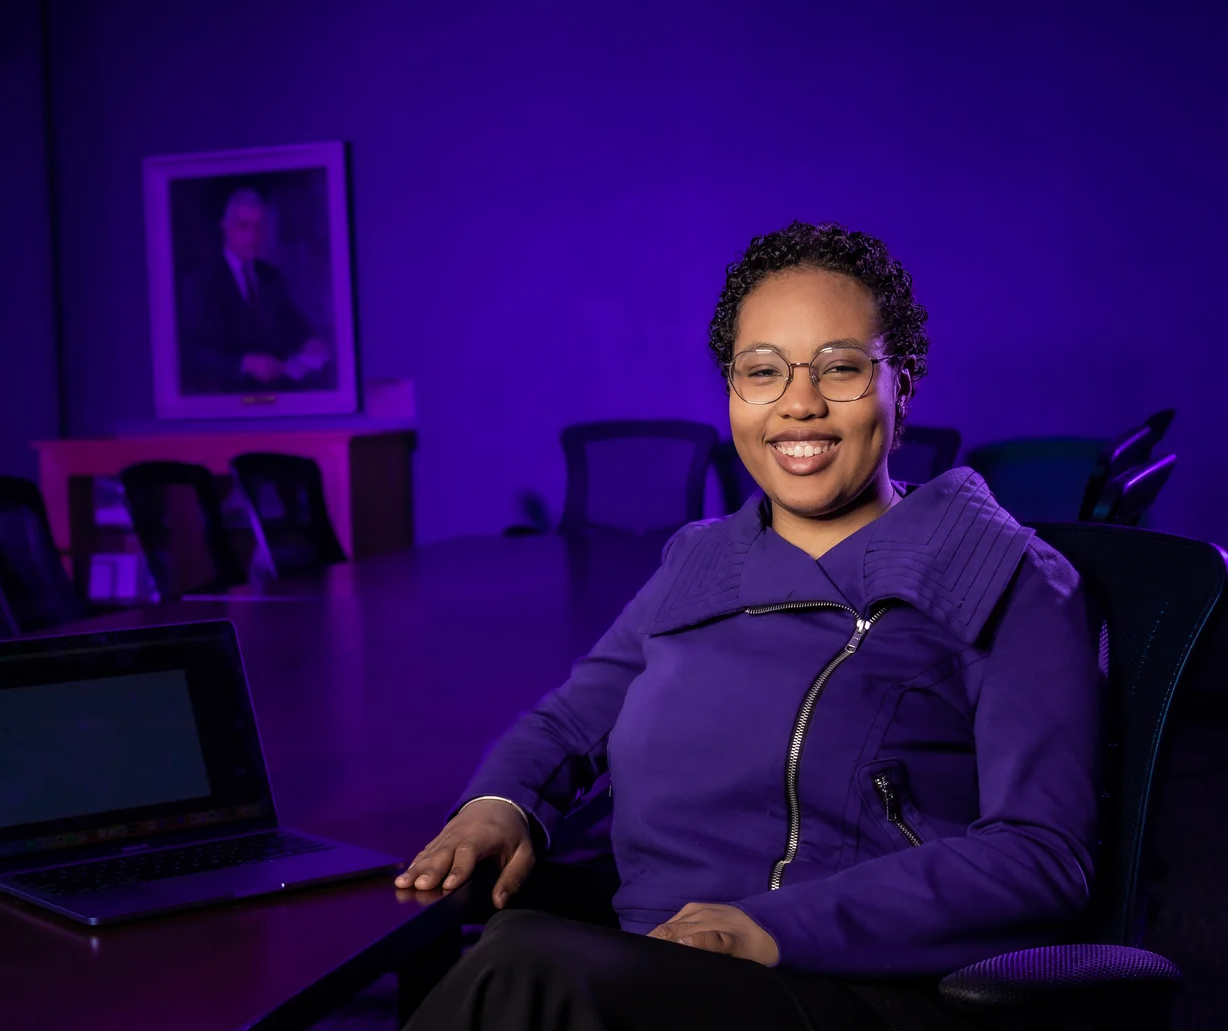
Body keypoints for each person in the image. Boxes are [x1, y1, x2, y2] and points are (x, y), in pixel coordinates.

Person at [396, 222, 1105, 1031]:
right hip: (651, 959)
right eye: (762, 372)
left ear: (899, 382)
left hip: (844, 981)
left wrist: (771, 928)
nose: (798, 403)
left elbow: (1041, 857)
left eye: (839, 368)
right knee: (476, 934)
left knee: (523, 974)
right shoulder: (700, 561)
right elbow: (570, 719)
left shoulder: (1007, 577)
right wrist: (502, 802)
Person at [176, 187, 331, 394]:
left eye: (258, 227)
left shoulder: (270, 276)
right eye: (244, 227)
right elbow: (192, 355)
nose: (252, 236)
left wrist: (310, 341)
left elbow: (291, 322)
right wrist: (244, 364)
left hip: (278, 396)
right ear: (225, 228)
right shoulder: (202, 281)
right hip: (225, 401)